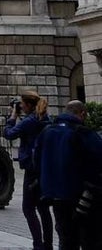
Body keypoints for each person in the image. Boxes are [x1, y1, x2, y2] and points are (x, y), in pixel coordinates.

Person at [35, 100, 102, 250]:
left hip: (57, 197)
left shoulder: (46, 132)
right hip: (83, 198)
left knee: (66, 240)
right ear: (82, 114)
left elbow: (36, 161)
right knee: (90, 240)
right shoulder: (83, 133)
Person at [4, 90, 52, 250]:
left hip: (32, 169)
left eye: (22, 104)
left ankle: (38, 245)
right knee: (43, 208)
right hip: (44, 167)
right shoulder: (45, 118)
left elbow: (9, 134)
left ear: (29, 105)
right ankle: (48, 245)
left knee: (28, 208)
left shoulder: (29, 121)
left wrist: (12, 116)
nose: (21, 107)